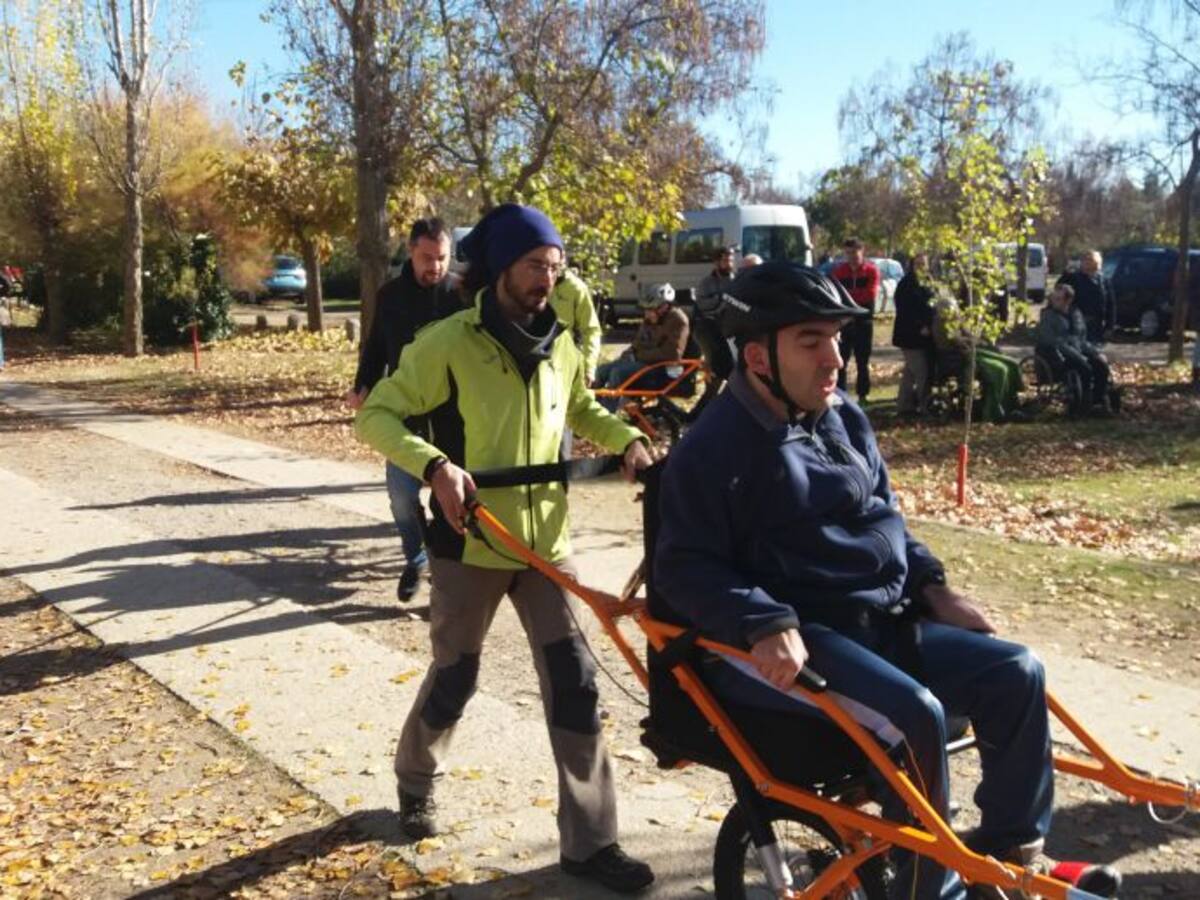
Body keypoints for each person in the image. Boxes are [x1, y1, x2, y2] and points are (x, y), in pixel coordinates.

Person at [653, 261, 1121, 900]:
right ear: (759, 357)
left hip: (881, 621)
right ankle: (935, 890)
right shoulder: (713, 448)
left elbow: (885, 518)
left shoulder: (842, 417)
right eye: (812, 342)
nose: (835, 360)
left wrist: (932, 587)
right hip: (799, 637)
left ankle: (1012, 856)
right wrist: (764, 619)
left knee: (1017, 671)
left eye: (837, 340)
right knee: (916, 718)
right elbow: (683, 567)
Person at [355, 203, 655, 894]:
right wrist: (435, 467)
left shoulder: (564, 342)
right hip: (470, 544)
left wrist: (627, 442)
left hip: (546, 546)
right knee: (456, 677)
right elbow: (376, 414)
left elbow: (580, 408)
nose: (546, 280)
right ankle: (415, 778)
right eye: (533, 267)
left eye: (554, 267)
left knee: (577, 686)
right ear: (499, 270)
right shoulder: (447, 341)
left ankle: (591, 842)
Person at [345, 218, 462, 600]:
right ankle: (416, 558)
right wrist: (363, 384)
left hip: (453, 415)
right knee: (400, 497)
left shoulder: (461, 294)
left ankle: (447, 579)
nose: (435, 266)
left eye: (442, 258)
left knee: (448, 500)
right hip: (405, 414)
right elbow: (376, 345)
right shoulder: (390, 295)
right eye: (427, 257)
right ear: (410, 251)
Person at [594, 283, 690, 409]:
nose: (647, 314)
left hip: (663, 370)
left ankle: (606, 414)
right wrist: (629, 353)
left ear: (665, 306)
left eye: (651, 309)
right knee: (602, 370)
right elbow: (638, 342)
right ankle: (591, 407)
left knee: (617, 373)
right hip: (643, 364)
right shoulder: (650, 319)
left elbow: (672, 354)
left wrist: (639, 356)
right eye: (646, 309)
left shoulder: (678, 320)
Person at [933, 294, 1024, 423]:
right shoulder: (940, 324)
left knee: (1009, 364)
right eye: (950, 310)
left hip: (969, 351)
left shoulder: (956, 320)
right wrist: (973, 341)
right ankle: (993, 410)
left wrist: (977, 339)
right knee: (999, 370)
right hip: (957, 356)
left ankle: (1010, 403)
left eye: (954, 309)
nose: (953, 312)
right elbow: (956, 340)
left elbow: (967, 334)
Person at [1036, 284, 1114, 413]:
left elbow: (1081, 339)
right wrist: (1078, 356)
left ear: (1068, 300)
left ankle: (1098, 400)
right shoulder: (1048, 316)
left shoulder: (1076, 314)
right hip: (1057, 356)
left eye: (1059, 299)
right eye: (1054, 298)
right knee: (1085, 368)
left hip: (1076, 350)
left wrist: (1095, 353)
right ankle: (1085, 404)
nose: (1054, 302)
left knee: (1101, 365)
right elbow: (1054, 342)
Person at [831, 238, 880, 402]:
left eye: (854, 252)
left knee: (862, 361)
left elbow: (869, 295)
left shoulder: (871, 271)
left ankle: (863, 395)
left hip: (863, 323)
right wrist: (852, 302)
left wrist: (849, 300)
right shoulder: (839, 272)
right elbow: (836, 295)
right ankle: (841, 394)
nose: (851, 256)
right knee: (841, 361)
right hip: (844, 324)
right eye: (848, 253)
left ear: (862, 251)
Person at [892, 252, 936, 416]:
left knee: (910, 373)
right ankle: (925, 407)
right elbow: (905, 311)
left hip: (925, 337)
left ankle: (904, 406)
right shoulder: (906, 285)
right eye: (918, 264)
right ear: (912, 266)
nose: (921, 267)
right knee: (921, 372)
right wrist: (921, 326)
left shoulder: (928, 282)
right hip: (910, 335)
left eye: (924, 264)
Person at [550, 267, 602, 385]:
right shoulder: (533, 283)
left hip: (565, 361)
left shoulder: (576, 288)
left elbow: (591, 330)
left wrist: (589, 367)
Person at [1056, 250, 1115, 343]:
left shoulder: (1104, 280)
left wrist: (1109, 326)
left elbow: (1110, 304)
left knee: (1094, 351)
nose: (1087, 262)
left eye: (1090, 260)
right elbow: (1059, 289)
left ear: (1097, 263)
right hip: (1077, 321)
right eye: (1085, 259)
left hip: (1097, 324)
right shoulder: (1073, 277)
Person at [694, 245, 737, 318]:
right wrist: (719, 299)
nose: (729, 264)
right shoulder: (706, 283)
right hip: (713, 322)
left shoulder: (737, 280)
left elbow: (743, 305)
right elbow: (701, 304)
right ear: (717, 262)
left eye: (731, 261)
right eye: (725, 261)